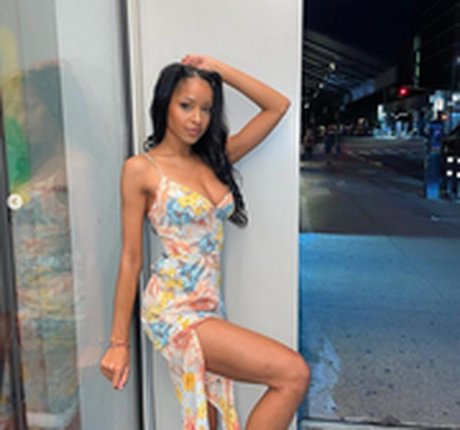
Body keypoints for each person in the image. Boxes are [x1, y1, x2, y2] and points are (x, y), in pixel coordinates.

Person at [99, 55, 310, 430]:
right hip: (173, 311)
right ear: (165, 104)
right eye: (186, 105)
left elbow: (277, 106)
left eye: (206, 108)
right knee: (292, 373)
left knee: (210, 420)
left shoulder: (215, 159)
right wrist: (118, 344)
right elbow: (131, 259)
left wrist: (219, 71)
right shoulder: (141, 169)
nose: (197, 118)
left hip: (210, 306)